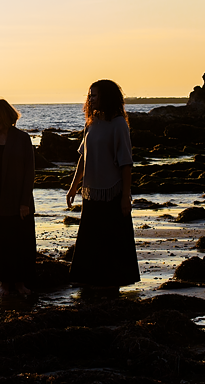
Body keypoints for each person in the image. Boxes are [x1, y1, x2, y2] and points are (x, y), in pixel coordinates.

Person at [65, 79, 140, 288]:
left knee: (112, 241)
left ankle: (112, 282)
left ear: (106, 97)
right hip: (91, 193)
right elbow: (83, 158)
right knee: (91, 240)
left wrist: (126, 196)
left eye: (94, 95)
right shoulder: (91, 123)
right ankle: (90, 280)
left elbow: (126, 163)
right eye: (89, 95)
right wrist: (73, 187)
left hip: (113, 193)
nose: (90, 99)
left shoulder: (118, 124)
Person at [0, 98, 36, 297]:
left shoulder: (22, 139)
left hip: (18, 202)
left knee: (20, 244)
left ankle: (20, 284)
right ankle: (3, 284)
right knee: (0, 245)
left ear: (7, 115)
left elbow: (29, 172)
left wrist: (24, 202)